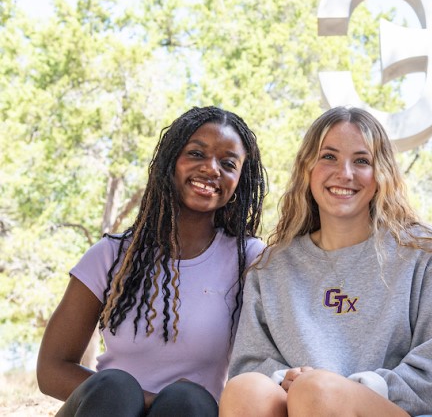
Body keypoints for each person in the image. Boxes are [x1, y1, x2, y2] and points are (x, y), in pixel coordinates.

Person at [220, 106, 432, 417]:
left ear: (381, 174)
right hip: (300, 403)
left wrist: (348, 390)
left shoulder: (427, 254)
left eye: (362, 161)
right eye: (328, 157)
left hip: (393, 409)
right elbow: (249, 364)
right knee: (246, 390)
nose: (344, 173)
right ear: (307, 168)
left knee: (318, 392)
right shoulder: (273, 267)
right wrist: (285, 379)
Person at [36, 106, 268, 417]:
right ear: (170, 162)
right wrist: (145, 400)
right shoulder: (111, 255)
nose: (211, 169)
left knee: (188, 401)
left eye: (228, 163)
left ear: (240, 180)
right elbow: (51, 369)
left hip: (189, 413)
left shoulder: (249, 260)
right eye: (196, 153)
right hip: (107, 408)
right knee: (115, 387)